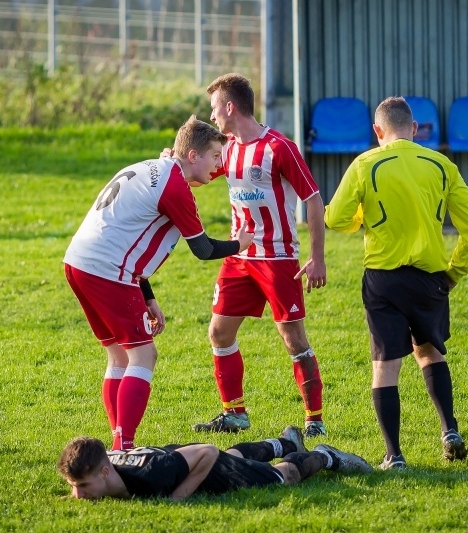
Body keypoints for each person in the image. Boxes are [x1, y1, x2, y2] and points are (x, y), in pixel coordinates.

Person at [63, 115, 254, 451]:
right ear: (192, 156)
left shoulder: (157, 166)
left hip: (79, 261)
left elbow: (131, 238)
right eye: (214, 156)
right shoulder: (174, 187)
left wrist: (148, 298)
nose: (218, 164)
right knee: (143, 355)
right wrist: (240, 243)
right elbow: (204, 249)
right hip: (107, 269)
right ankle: (124, 446)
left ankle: (119, 441)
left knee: (119, 356)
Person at [324, 97, 468, 470]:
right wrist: (454, 271)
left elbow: (336, 219)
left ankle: (394, 455)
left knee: (385, 366)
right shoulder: (441, 164)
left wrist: (363, 216)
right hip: (431, 279)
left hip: (383, 279)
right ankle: (449, 431)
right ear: (414, 130)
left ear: (377, 131)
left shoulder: (365, 164)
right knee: (429, 351)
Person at [191, 73, 329, 438]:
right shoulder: (229, 147)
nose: (212, 115)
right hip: (239, 257)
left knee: (293, 339)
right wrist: (170, 165)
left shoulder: (279, 148)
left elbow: (313, 200)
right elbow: (199, 173)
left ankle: (314, 420)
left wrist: (317, 257)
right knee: (219, 333)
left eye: (214, 107)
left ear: (231, 107)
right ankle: (234, 413)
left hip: (279, 259)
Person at [57, 426, 372, 500]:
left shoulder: (153, 476)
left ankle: (326, 456)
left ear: (104, 471)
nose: (78, 495)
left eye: (82, 486)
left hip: (197, 461)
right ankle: (285, 441)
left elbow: (206, 451)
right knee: (231, 457)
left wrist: (178, 498)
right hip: (181, 456)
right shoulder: (104, 462)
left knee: (281, 477)